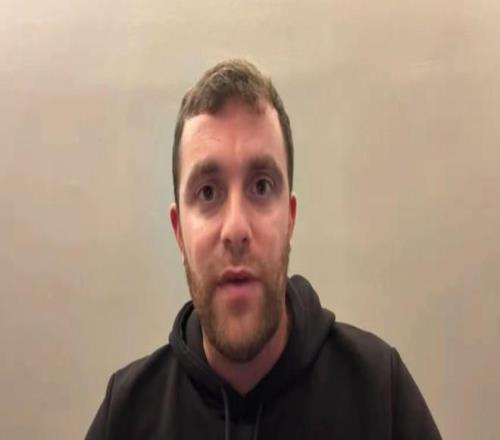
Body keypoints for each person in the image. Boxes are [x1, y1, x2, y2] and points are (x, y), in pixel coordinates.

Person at [86, 59, 441, 439]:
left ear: (290, 219)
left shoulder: (381, 395)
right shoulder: (125, 416)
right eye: (208, 192)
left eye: (261, 186)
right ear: (178, 233)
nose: (236, 229)